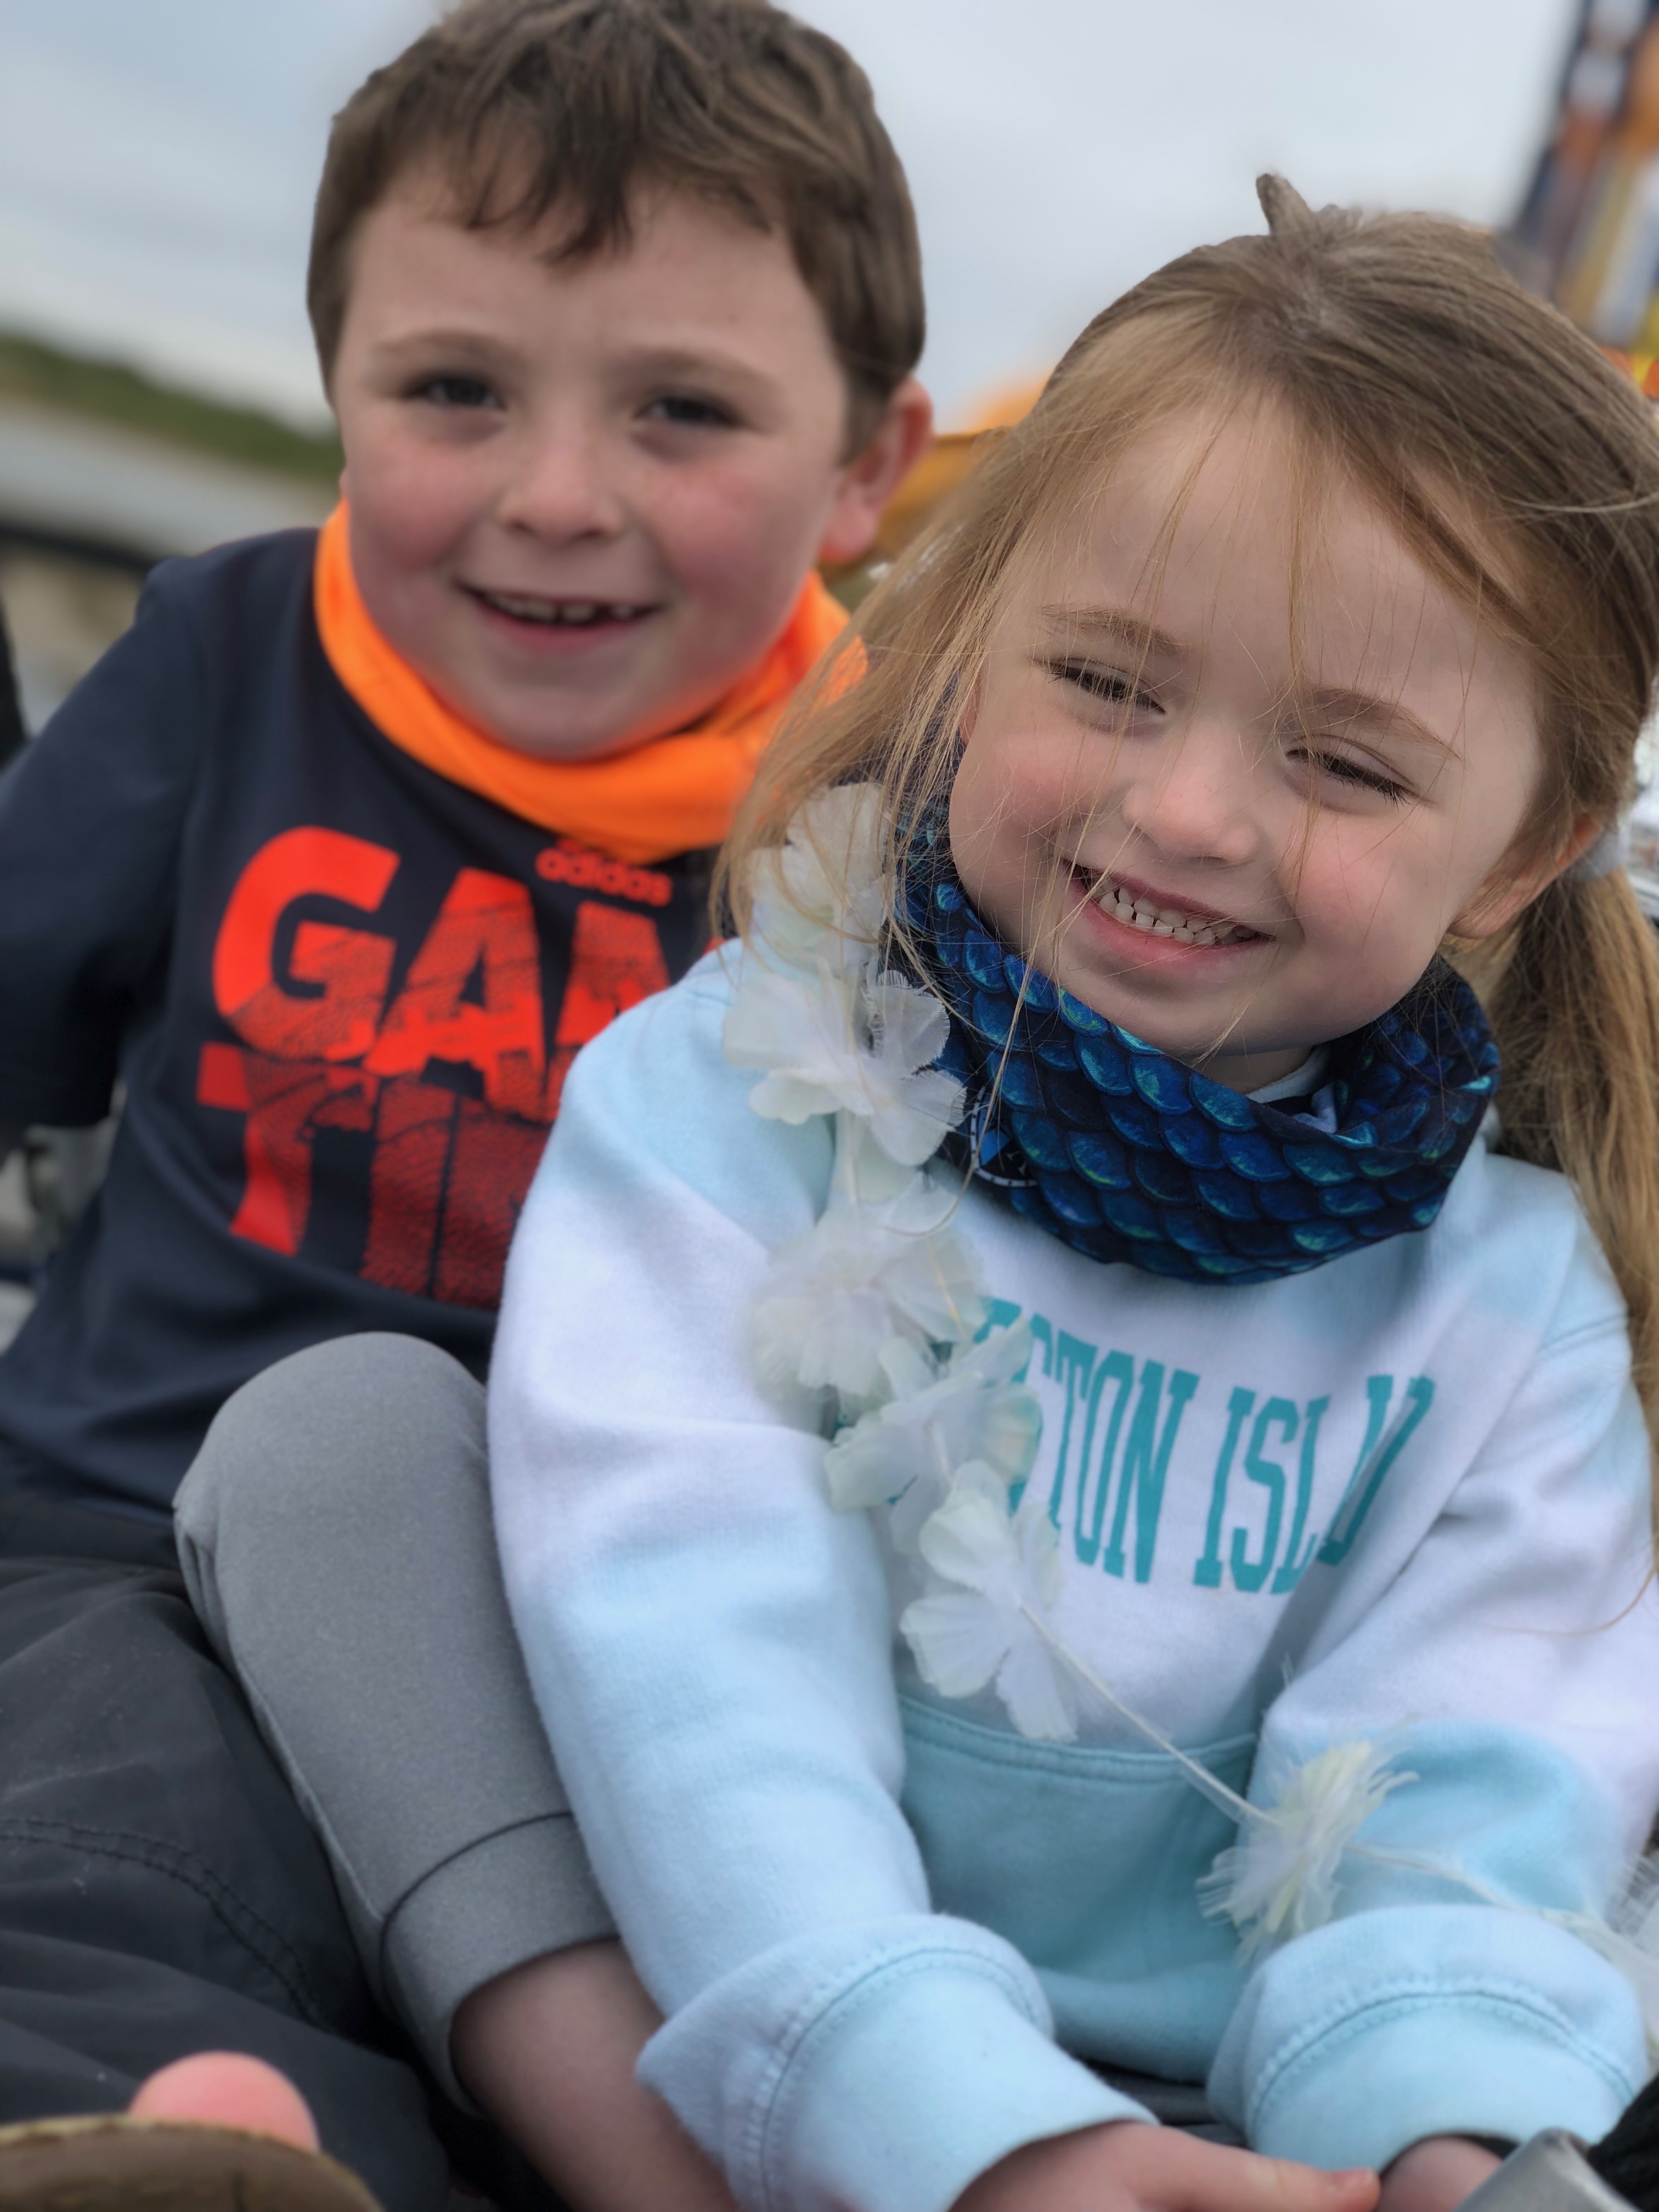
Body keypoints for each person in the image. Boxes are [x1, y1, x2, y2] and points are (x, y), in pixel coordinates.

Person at [178, 178, 1659, 2212]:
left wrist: (1422, 2151)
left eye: (1347, 763)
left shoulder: (1516, 1306)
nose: (1190, 811)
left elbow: (1474, 1795)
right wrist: (962, 2136)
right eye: (1113, 683)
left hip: (1223, 2128)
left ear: (1521, 853)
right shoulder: (723, 1100)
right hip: (727, 2009)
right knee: (331, 1445)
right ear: (970, 659)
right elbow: (701, 1650)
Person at [0, 0, 930, 2202]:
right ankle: (193, 2153)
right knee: (95, 1870)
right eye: (452, 392)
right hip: (132, 1545)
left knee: (718, 2001)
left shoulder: (908, 833)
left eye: (682, 409)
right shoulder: (227, 662)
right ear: (336, 380)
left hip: (645, 1636)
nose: (557, 495)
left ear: (868, 466)